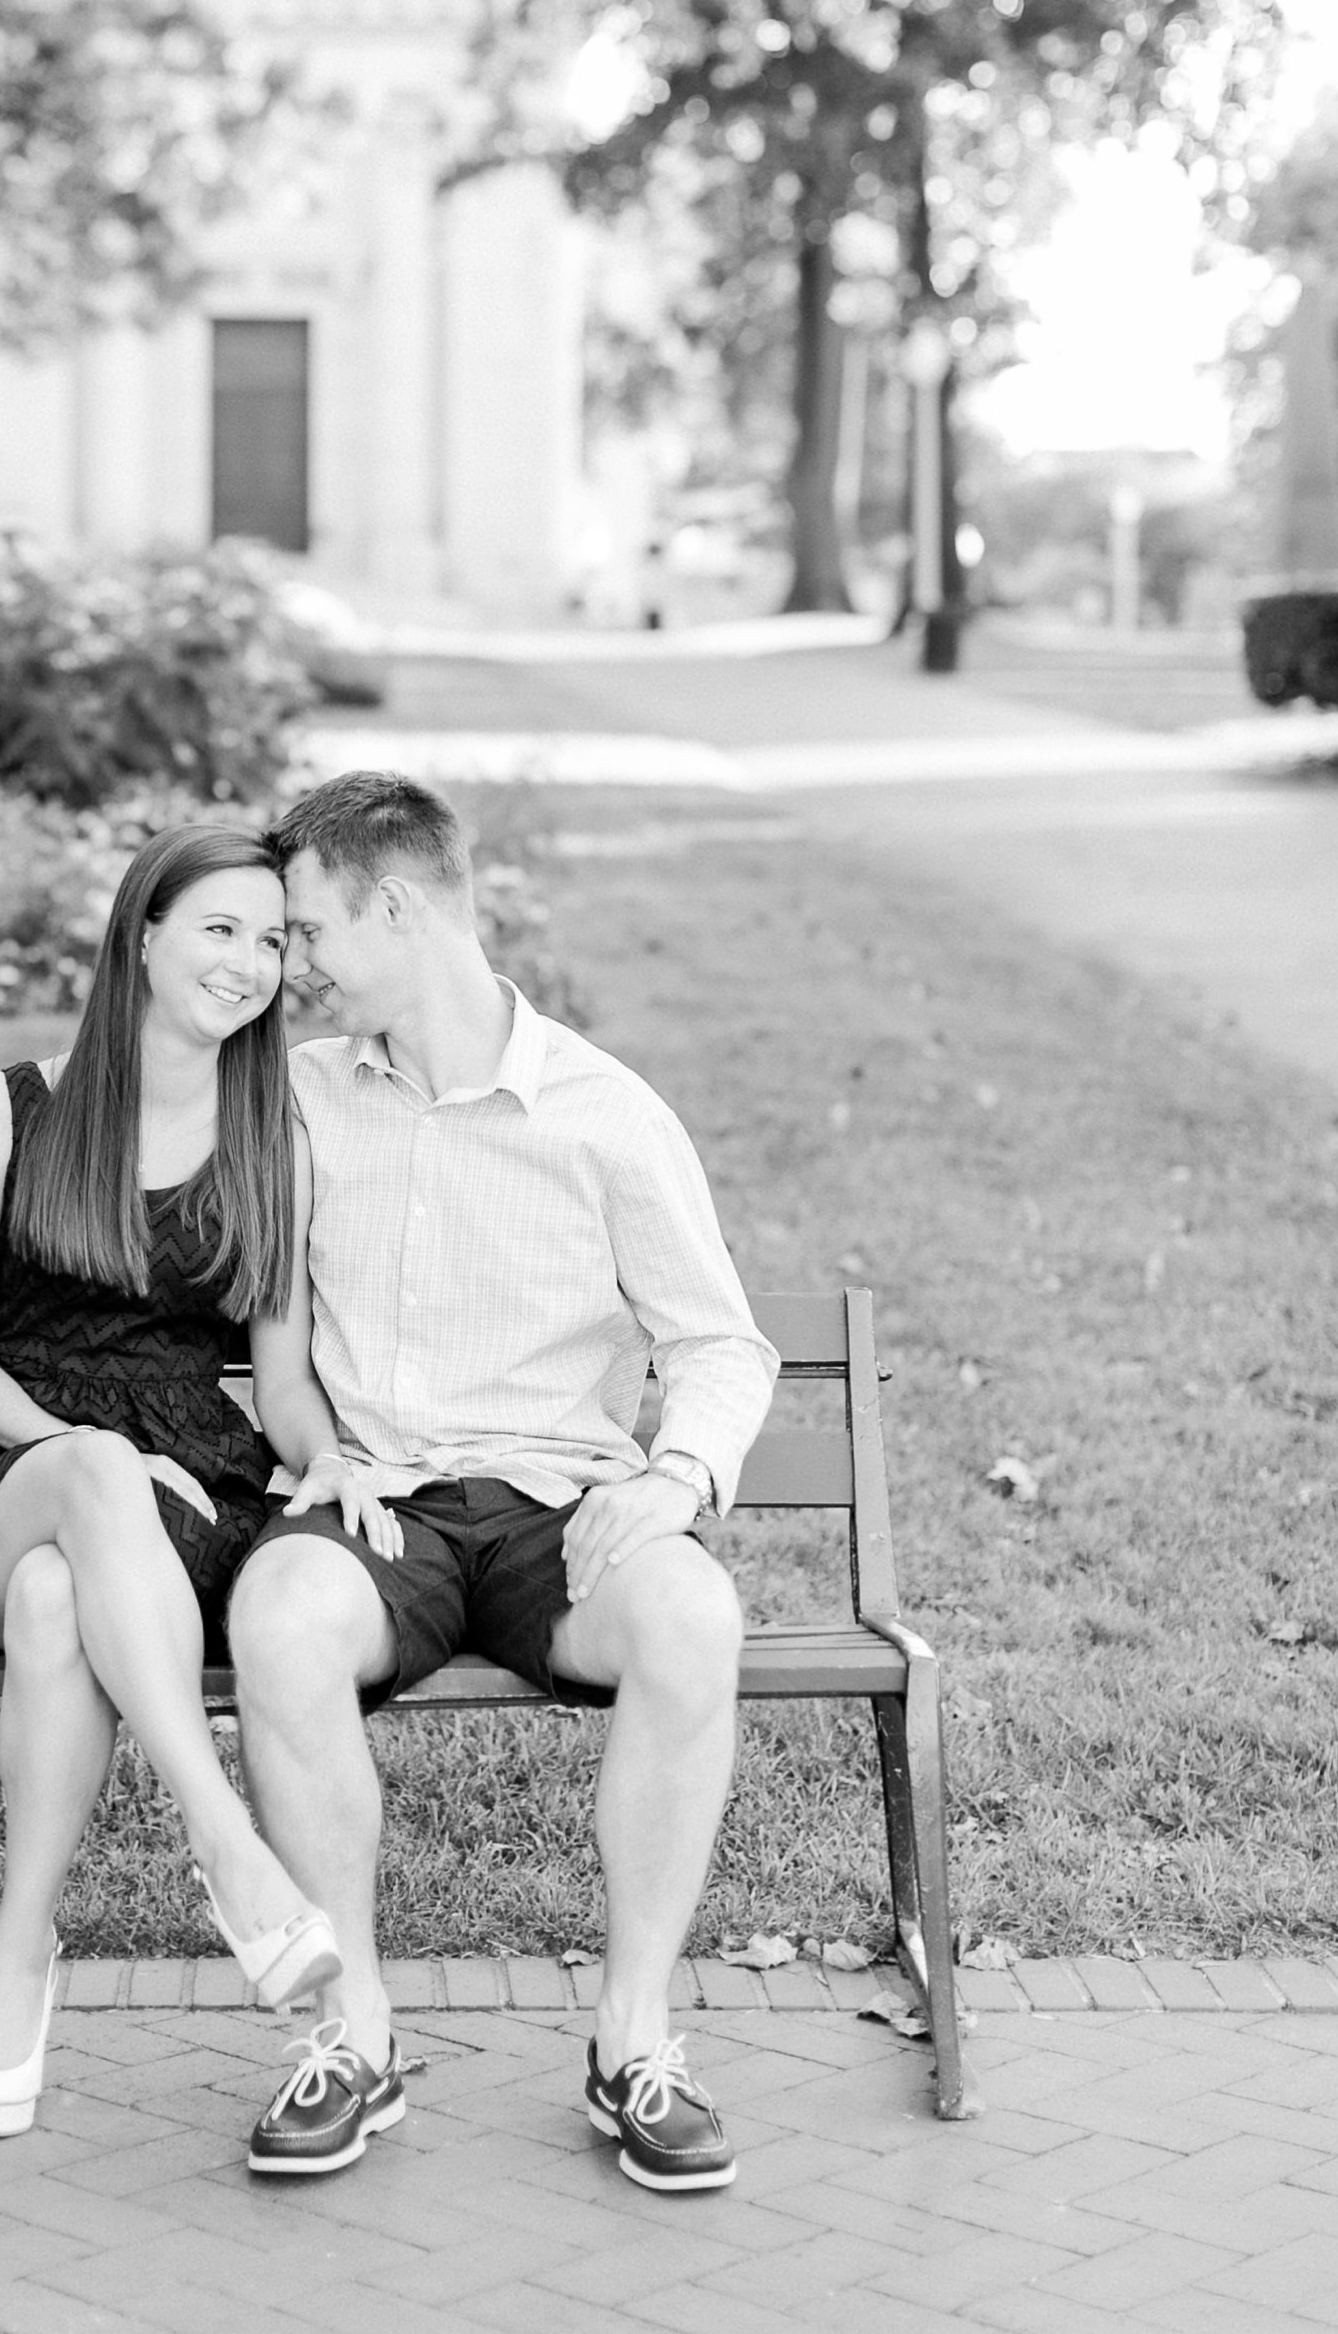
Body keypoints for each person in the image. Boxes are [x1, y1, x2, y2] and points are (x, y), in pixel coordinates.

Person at [229, 771, 780, 2192]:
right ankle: (350, 2031)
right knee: (278, 1616)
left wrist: (675, 1480)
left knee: (693, 1624)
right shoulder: (293, 1102)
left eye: (307, 933)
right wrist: (322, 1455)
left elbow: (721, 1346)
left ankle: (633, 2041)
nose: (292, 970)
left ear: (398, 908)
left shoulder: (605, 1113)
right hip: (378, 1510)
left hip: (561, 1510)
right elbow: (274, 1337)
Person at [0, 823, 354, 2139]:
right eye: (220, 928)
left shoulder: (274, 1141)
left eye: (272, 940)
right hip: (3, 1472)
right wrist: (77, 1449)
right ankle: (226, 1841)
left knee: (54, 1609)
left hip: (187, 1506)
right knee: (82, 1489)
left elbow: (286, 1381)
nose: (249, 962)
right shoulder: (14, 1108)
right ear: (142, 934)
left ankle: (16, 1964)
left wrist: (331, 1468)